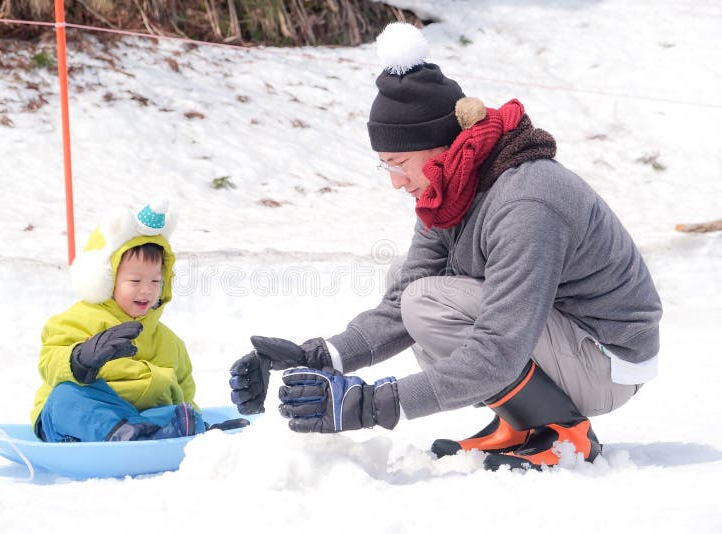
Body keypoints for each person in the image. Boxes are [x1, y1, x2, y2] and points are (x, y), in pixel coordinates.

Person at [229, 23, 662, 470]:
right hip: (556, 339)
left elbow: (497, 350)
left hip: (607, 360)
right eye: (386, 168)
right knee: (408, 280)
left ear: (441, 149)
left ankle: (563, 434)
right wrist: (316, 357)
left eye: (398, 164)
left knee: (430, 301)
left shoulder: (527, 201)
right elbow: (401, 305)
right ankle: (523, 423)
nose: (396, 183)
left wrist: (372, 404)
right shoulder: (452, 189)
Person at [30, 199, 206, 442]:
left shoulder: (170, 342)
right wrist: (79, 359)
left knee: (177, 413)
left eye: (155, 281)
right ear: (107, 279)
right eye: (135, 281)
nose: (146, 290)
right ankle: (123, 433)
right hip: (79, 417)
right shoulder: (77, 320)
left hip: (137, 418)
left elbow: (184, 392)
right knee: (67, 398)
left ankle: (143, 433)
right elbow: (49, 361)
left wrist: (198, 421)